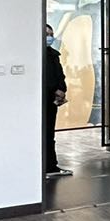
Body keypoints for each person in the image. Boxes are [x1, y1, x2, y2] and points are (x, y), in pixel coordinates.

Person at [44, 23, 70, 178]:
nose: (50, 37)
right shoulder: (38, 55)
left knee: (50, 134)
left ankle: (51, 165)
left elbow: (60, 75)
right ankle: (47, 166)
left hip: (52, 100)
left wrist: (61, 89)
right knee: (45, 133)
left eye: (51, 34)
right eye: (47, 34)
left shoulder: (53, 54)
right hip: (44, 99)